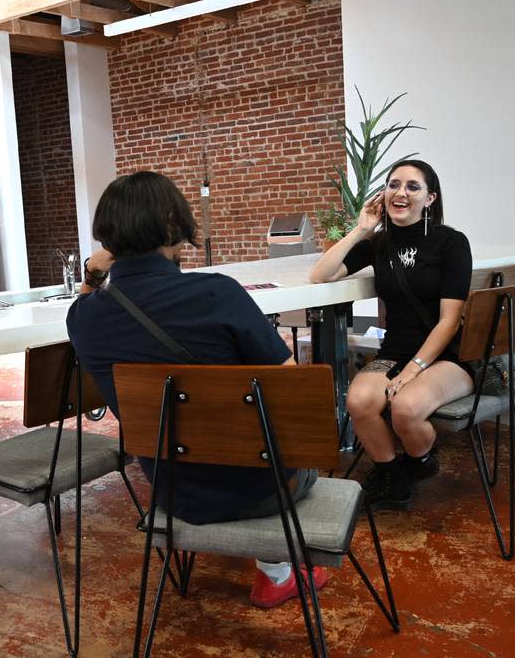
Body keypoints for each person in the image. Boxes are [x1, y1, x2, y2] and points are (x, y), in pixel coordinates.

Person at [66, 170, 328, 609]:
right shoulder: (217, 292)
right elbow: (296, 400)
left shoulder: (84, 319)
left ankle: (275, 570)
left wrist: (94, 274)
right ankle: (277, 572)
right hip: (264, 489)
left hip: (172, 491)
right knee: (288, 443)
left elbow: (85, 300)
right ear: (174, 224)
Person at [309, 159, 473, 510]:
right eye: (393, 184)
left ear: (430, 199)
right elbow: (321, 275)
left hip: (446, 356)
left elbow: (450, 321)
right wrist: (361, 229)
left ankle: (421, 459)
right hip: (394, 351)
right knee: (359, 401)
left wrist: (413, 370)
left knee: (405, 407)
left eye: (413, 187)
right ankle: (391, 474)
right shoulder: (379, 244)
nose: (400, 193)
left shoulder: (451, 243)